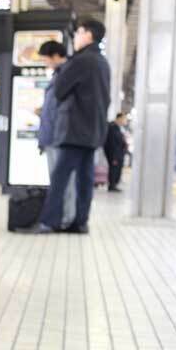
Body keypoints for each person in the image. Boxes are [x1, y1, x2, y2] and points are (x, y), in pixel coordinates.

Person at [31, 18, 111, 234]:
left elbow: (59, 91)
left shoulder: (80, 61)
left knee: (60, 178)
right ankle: (80, 222)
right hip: (93, 132)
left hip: (74, 131)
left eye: (78, 33)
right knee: (85, 180)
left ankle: (49, 221)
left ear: (87, 35)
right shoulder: (103, 63)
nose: (75, 38)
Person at [36, 40, 75, 228]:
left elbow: (63, 111)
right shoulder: (59, 75)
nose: (46, 63)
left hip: (59, 138)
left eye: (46, 59)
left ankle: (66, 219)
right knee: (58, 181)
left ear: (56, 56)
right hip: (52, 137)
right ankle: (63, 217)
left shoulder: (67, 75)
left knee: (63, 182)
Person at [104, 112, 129, 192]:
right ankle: (112, 185)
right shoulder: (112, 127)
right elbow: (112, 143)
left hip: (118, 153)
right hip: (114, 153)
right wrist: (114, 156)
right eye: (123, 119)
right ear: (119, 118)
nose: (124, 121)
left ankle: (114, 184)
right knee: (113, 169)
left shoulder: (118, 128)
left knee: (116, 169)